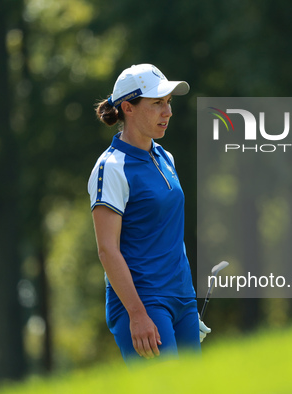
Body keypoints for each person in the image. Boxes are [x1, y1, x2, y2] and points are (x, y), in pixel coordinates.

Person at [88, 64, 211, 363]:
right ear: (128, 107)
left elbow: (168, 231)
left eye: (168, 102)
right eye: (157, 103)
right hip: (143, 303)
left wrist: (187, 303)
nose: (167, 111)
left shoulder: (164, 157)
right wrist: (137, 314)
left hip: (181, 298)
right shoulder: (111, 167)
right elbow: (107, 250)